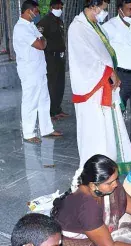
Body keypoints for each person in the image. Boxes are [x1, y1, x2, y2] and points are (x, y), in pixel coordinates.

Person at [68, 0, 131, 172]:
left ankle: (109, 160)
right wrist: (107, 72)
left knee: (108, 125)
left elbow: (104, 53)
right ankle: (94, 165)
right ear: (93, 6)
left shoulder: (95, 25)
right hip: (92, 87)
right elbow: (83, 59)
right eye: (103, 8)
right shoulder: (78, 28)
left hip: (105, 82)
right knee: (95, 128)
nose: (104, 12)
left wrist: (112, 72)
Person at [13, 0, 62, 144]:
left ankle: (46, 129)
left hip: (39, 69)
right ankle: (28, 133)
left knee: (43, 99)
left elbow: (42, 40)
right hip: (29, 71)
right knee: (30, 101)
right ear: (29, 11)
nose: (37, 13)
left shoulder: (31, 26)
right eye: (36, 11)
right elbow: (41, 44)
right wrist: (42, 39)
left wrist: (42, 39)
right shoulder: (21, 28)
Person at [103, 0, 131, 148]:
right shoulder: (109, 27)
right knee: (117, 112)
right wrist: (111, 73)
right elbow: (102, 52)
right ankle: (116, 146)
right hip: (121, 77)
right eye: (129, 9)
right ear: (119, 9)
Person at [37, 0, 69, 120]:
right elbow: (38, 35)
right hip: (51, 57)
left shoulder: (59, 20)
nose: (59, 8)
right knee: (52, 84)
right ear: (51, 7)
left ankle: (57, 109)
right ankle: (50, 112)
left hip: (60, 56)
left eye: (61, 6)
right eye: (57, 6)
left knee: (60, 84)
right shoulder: (44, 21)